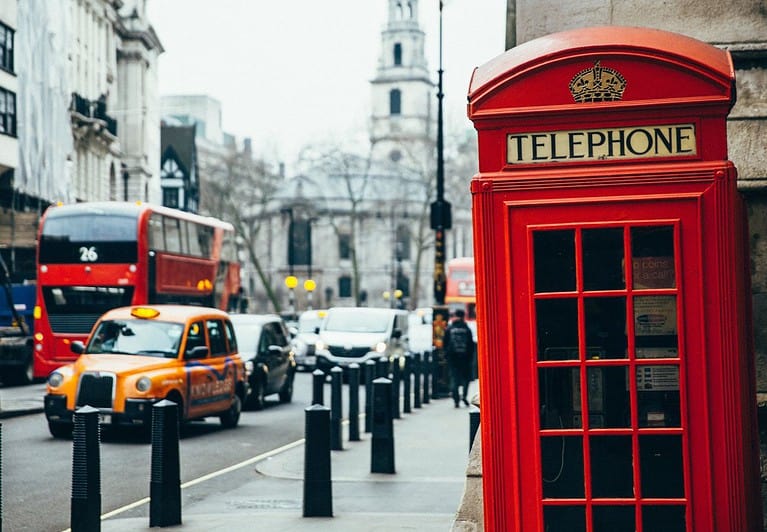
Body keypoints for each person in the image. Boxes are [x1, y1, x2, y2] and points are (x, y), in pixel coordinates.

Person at [443, 309, 475, 407]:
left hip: (453, 359)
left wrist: (447, 355)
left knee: (454, 378)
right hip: (465, 358)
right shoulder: (466, 328)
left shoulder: (449, 328)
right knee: (466, 379)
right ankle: (464, 396)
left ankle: (456, 399)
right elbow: (471, 345)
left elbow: (445, 343)